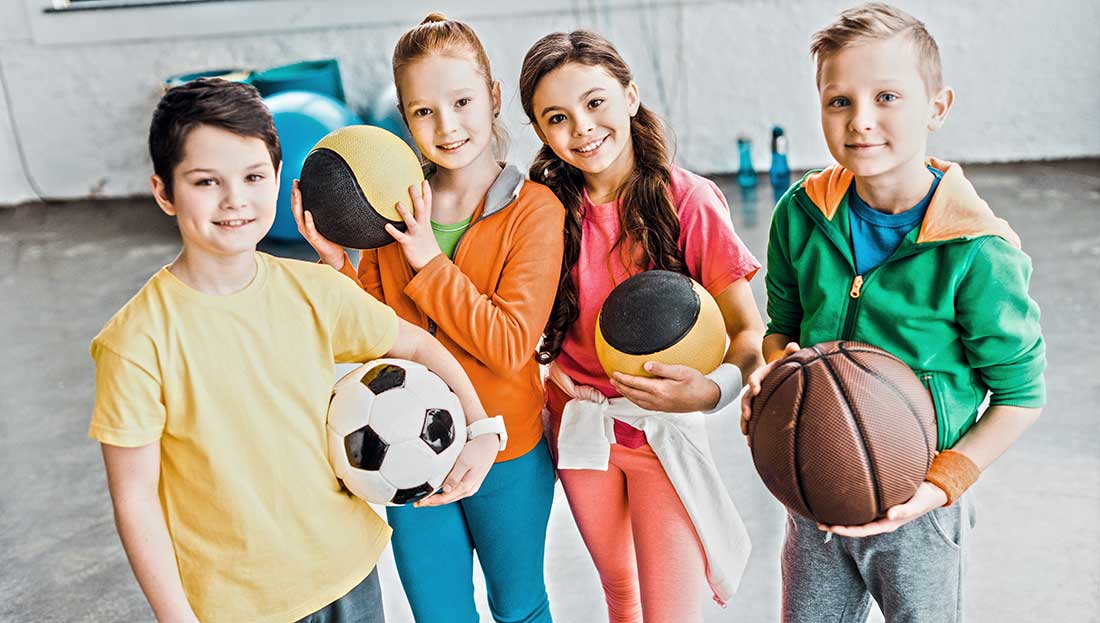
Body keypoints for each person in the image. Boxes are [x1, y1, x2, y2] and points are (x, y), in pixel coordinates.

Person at [89, 78, 497, 623]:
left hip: (348, 573)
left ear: (278, 179)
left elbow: (418, 345)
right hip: (238, 603)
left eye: (254, 177)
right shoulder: (135, 342)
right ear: (164, 192)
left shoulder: (314, 290)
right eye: (206, 181)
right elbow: (135, 501)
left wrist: (479, 427)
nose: (235, 199)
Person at [740, 4, 1047, 622]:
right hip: (814, 485)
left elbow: (1021, 396)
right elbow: (784, 332)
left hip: (921, 505)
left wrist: (943, 483)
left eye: (887, 97)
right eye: (839, 101)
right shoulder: (800, 215)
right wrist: (772, 378)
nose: (862, 121)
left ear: (937, 106)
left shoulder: (978, 252)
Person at [292, 14, 565, 623]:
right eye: (422, 112)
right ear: (404, 119)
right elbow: (375, 340)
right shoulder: (391, 209)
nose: (446, 126)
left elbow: (508, 342)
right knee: (439, 614)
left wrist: (426, 258)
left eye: (462, 101)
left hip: (508, 454)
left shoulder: (535, 212)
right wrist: (340, 267)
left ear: (492, 98)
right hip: (405, 460)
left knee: (519, 607)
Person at [518, 29, 765, 622]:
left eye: (595, 102)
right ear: (540, 131)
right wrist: (545, 372)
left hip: (663, 433)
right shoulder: (539, 209)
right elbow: (517, 317)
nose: (581, 128)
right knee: (620, 598)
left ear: (630, 96)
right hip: (580, 428)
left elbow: (748, 333)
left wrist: (712, 391)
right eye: (557, 117)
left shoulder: (691, 202)